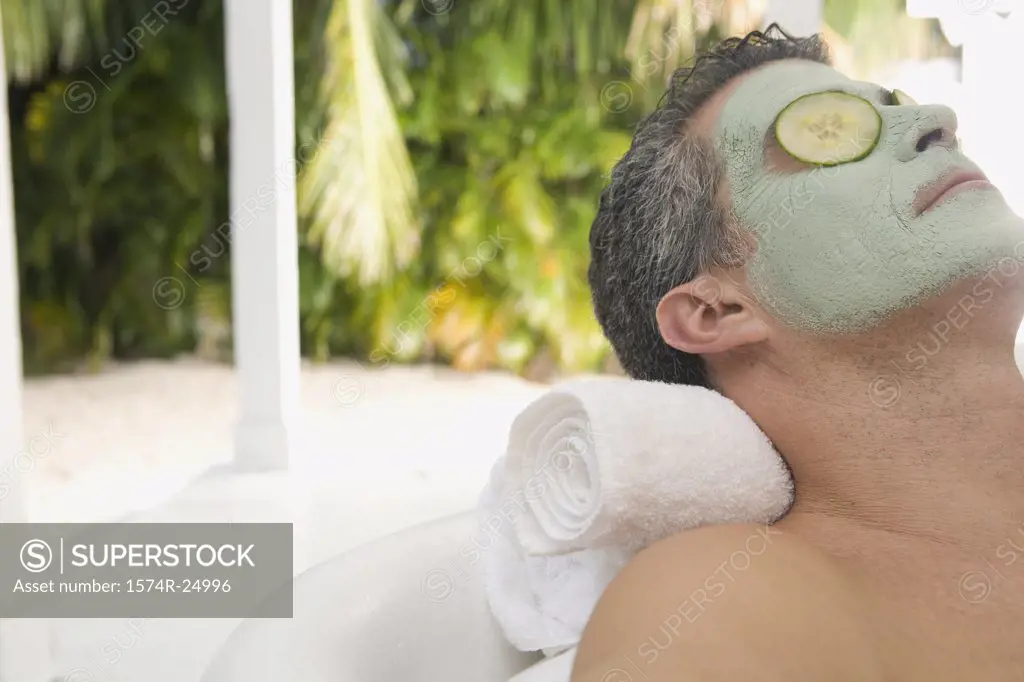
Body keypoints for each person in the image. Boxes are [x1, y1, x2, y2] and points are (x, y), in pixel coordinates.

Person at [574, 24, 1024, 682]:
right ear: (716, 310)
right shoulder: (729, 602)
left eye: (895, 103)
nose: (935, 119)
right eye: (831, 130)